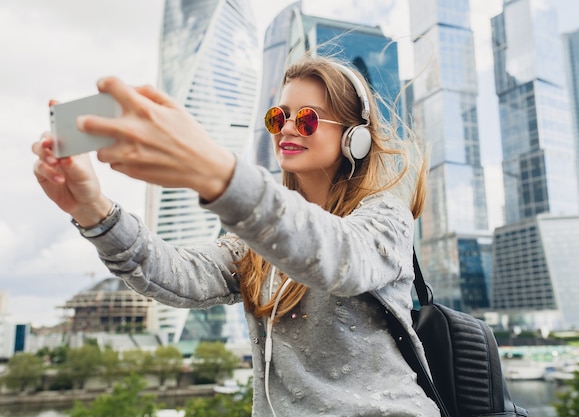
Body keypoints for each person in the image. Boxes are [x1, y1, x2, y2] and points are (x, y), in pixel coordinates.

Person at [32, 55, 440, 417]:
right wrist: (91, 209)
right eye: (278, 118)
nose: (287, 130)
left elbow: (336, 258)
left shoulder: (386, 216)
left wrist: (217, 172)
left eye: (308, 119)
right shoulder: (257, 244)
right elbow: (174, 273)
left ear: (355, 136)